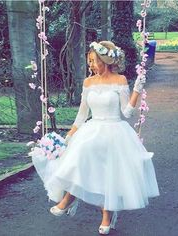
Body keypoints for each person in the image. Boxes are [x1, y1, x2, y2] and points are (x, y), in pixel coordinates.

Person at [32, 41, 159, 235]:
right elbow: (82, 115)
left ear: (105, 61)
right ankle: (68, 198)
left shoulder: (120, 80)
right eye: (89, 61)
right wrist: (70, 134)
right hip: (92, 130)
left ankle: (106, 216)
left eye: (93, 61)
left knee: (109, 176)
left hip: (115, 131)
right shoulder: (88, 83)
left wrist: (136, 91)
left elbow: (126, 112)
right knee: (80, 155)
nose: (90, 65)